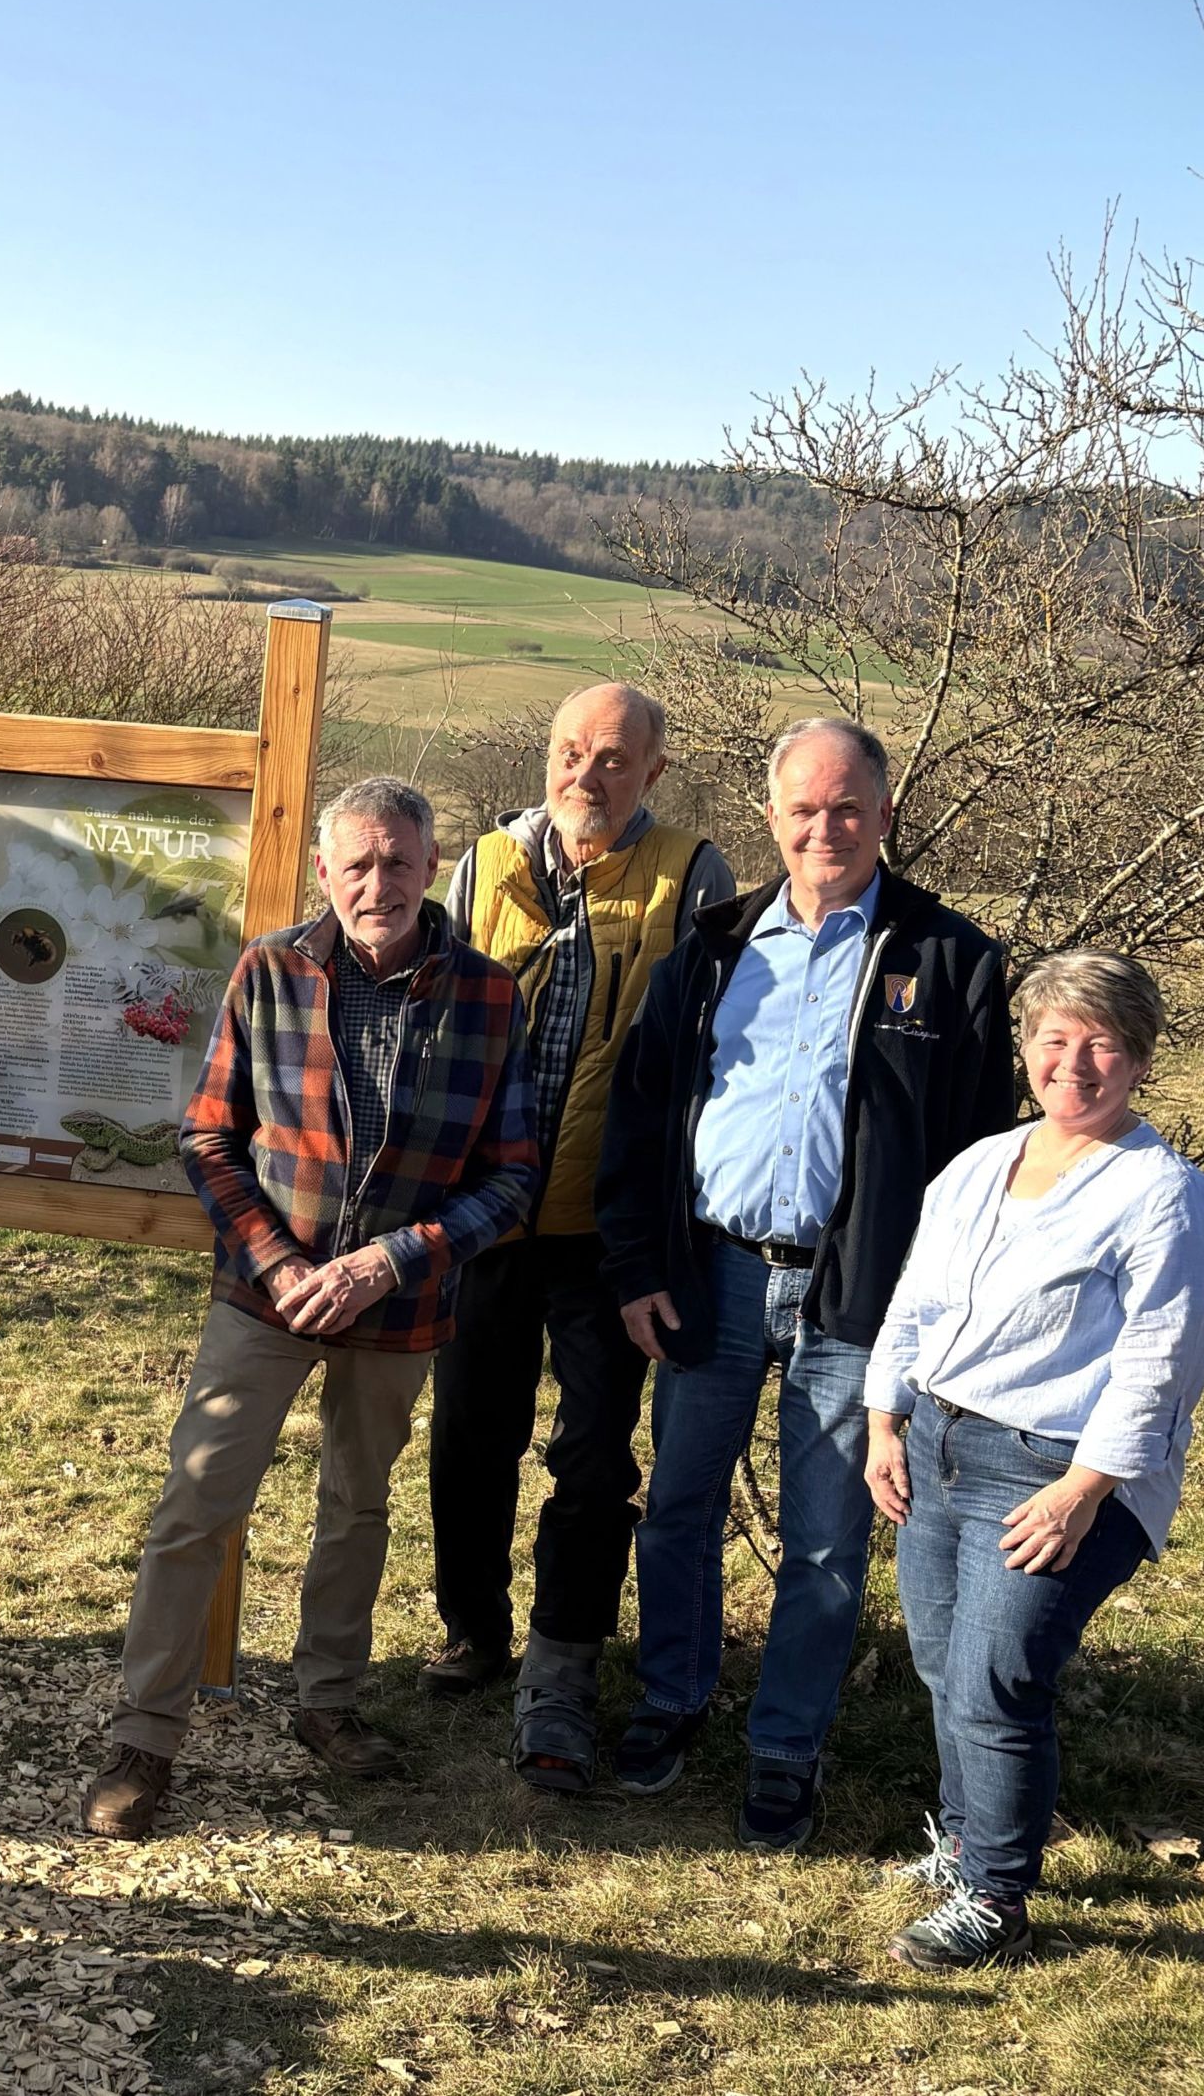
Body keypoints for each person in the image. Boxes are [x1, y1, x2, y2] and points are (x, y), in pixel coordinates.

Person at [80, 776, 540, 1841]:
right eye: (357, 863)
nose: (377, 882)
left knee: (358, 1503)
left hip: (398, 1298)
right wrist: (280, 1263)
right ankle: (145, 1734)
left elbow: (513, 1175)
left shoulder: (486, 994)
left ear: (433, 868)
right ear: (323, 871)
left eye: (398, 861)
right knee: (195, 1505)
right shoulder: (271, 970)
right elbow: (207, 1137)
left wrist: (393, 1259)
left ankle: (326, 1704)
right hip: (264, 1292)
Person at [596, 716, 1014, 1851]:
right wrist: (636, 1266)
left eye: (846, 807)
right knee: (676, 1509)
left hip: (860, 1301)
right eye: (802, 808)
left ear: (883, 814)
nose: (823, 827)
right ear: (771, 816)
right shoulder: (712, 950)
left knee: (826, 1542)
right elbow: (635, 1121)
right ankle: (671, 1701)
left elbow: (983, 1161)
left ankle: (785, 1749)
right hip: (710, 1277)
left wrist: (938, 1317)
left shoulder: (951, 960)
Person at [864, 953, 1204, 1968]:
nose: (1073, 1063)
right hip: (936, 1442)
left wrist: (1082, 1491)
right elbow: (917, 1299)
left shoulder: (1164, 1196)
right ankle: (963, 1840)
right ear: (1024, 1048)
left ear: (1141, 1059)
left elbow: (1162, 1367)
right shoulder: (981, 1164)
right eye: (1054, 1039)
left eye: (1101, 1042)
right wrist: (884, 1418)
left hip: (1053, 1470)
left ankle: (995, 1900)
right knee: (943, 1663)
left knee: (996, 1677)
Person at [434, 683, 737, 1790]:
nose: (586, 775)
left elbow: (706, 1054)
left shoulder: (690, 877)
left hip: (609, 1230)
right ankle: (471, 1630)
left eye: (614, 759)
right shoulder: (477, 868)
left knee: (594, 1458)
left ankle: (561, 1662)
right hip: (486, 1217)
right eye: (570, 751)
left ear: (653, 772)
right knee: (471, 1432)